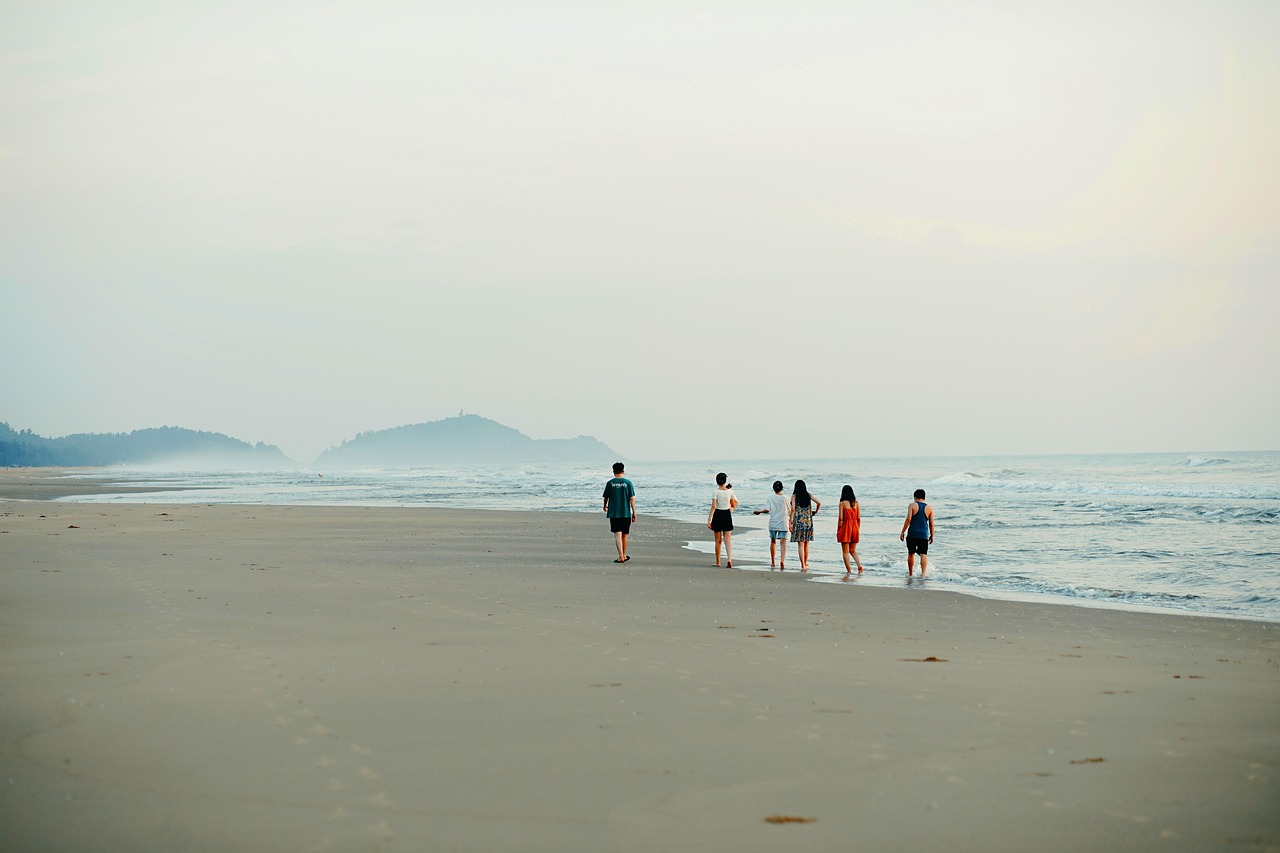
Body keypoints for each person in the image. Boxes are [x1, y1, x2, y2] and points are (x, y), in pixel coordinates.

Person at [752, 480, 791, 570]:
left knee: (773, 542)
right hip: (783, 522)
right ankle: (782, 560)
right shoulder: (786, 498)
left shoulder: (770, 497)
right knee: (783, 542)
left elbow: (767, 509)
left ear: (773, 488)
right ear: (782, 488)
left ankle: (773, 561)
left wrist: (759, 511)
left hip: (773, 522)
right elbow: (790, 510)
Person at [602, 462, 636, 563]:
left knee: (617, 534)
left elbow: (606, 497)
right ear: (623, 471)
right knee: (624, 535)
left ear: (613, 471)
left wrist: (604, 506)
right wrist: (634, 512)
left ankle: (621, 556)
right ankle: (624, 555)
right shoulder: (628, 483)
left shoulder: (610, 483)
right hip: (625, 513)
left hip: (614, 513)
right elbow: (632, 499)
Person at [899, 488, 935, 576]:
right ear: (924, 498)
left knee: (911, 553)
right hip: (923, 535)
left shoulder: (912, 505)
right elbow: (931, 524)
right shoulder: (929, 508)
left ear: (915, 497)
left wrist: (902, 531)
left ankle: (910, 573)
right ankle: (923, 574)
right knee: (923, 554)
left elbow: (908, 519)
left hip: (912, 533)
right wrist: (932, 535)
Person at [788, 479, 821, 572]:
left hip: (798, 522)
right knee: (807, 543)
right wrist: (815, 511)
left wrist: (790, 521)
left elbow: (793, 510)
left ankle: (802, 564)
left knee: (800, 545)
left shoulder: (794, 496)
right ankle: (805, 563)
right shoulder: (808, 495)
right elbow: (819, 502)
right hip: (808, 522)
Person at [707, 472, 738, 568]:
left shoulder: (715, 492)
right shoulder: (730, 492)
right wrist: (732, 508)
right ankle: (729, 560)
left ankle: (718, 562)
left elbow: (713, 506)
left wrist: (709, 519)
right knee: (727, 540)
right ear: (725, 481)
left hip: (718, 515)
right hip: (727, 515)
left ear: (717, 481)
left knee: (718, 541)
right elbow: (734, 504)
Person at [836, 485, 864, 574]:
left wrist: (838, 530)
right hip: (855, 527)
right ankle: (859, 565)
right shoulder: (856, 503)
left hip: (846, 527)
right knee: (853, 550)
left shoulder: (842, 504)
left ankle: (849, 571)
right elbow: (859, 518)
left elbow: (841, 519)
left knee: (845, 552)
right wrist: (857, 528)